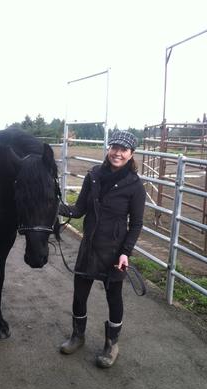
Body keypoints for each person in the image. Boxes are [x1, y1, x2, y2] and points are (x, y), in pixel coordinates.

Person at [59, 130, 146, 368]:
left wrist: (125, 252)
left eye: (123, 149)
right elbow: (78, 210)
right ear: (108, 149)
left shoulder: (135, 186)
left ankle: (111, 344)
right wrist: (53, 206)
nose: (118, 153)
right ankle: (78, 336)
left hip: (114, 251)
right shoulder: (94, 175)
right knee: (79, 294)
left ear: (131, 154)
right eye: (114, 147)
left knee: (114, 298)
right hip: (89, 246)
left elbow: (136, 223)